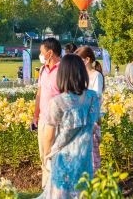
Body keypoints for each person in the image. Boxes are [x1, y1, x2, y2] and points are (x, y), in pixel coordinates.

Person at [38, 54, 100, 198]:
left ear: (62, 75)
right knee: (83, 191)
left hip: (63, 155)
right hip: (85, 155)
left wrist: (47, 155)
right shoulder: (92, 97)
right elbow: (95, 122)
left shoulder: (58, 102)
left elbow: (49, 134)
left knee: (60, 192)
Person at [32, 37, 62, 188]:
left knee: (55, 154)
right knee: (44, 154)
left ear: (50, 53)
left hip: (58, 121)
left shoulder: (63, 69)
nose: (41, 55)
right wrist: (35, 115)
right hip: (44, 119)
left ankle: (56, 187)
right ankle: (46, 187)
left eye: (42, 52)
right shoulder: (43, 69)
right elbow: (40, 92)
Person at [76, 46, 104, 173]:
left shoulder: (96, 76)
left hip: (90, 119)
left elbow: (95, 98)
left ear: (87, 60)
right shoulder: (79, 75)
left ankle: (92, 186)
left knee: (92, 156)